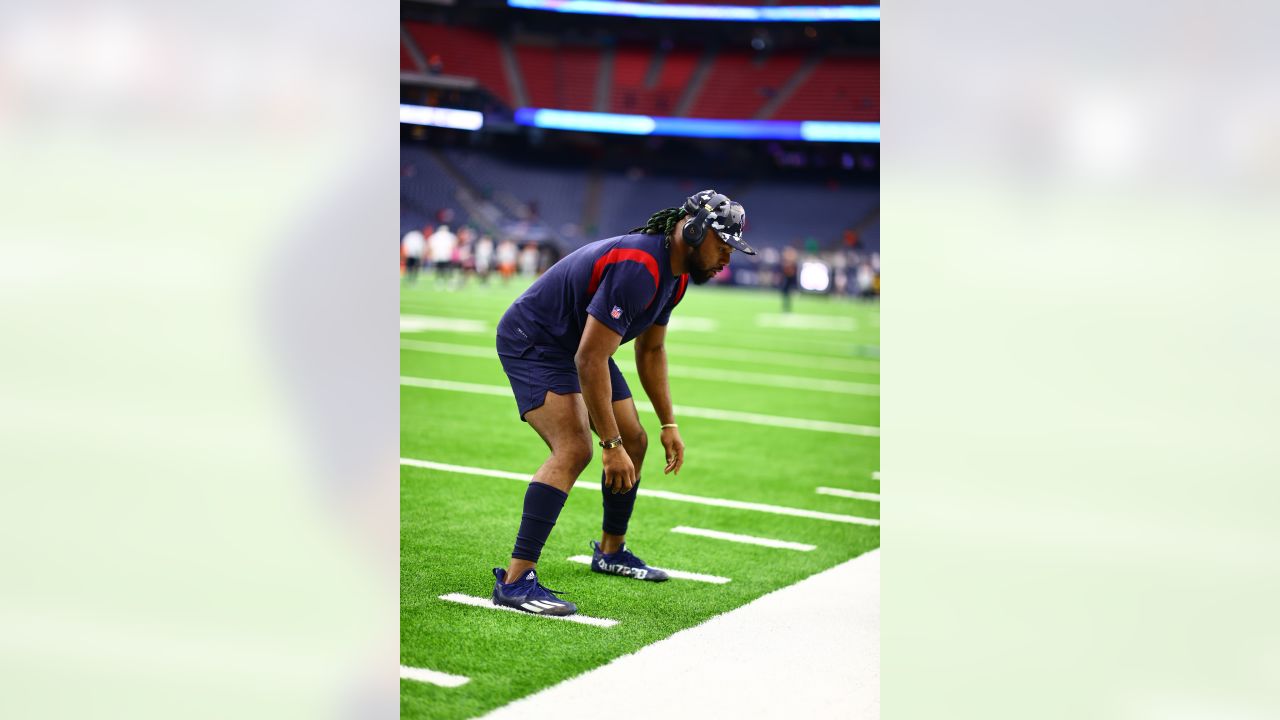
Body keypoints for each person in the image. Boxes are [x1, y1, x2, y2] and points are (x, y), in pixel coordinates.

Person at [490, 190, 754, 616]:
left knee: (637, 439)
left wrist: (669, 424)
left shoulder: (677, 275)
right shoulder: (640, 266)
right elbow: (590, 359)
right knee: (576, 449)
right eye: (722, 246)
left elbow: (650, 351)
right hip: (536, 340)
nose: (727, 259)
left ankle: (611, 552)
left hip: (578, 342)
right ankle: (516, 580)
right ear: (695, 230)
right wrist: (608, 446)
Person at [427, 223, 457, 288]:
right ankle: (449, 282)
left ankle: (440, 281)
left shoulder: (435, 236)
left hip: (438, 256)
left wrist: (431, 254)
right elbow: (454, 245)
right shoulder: (450, 236)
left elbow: (430, 246)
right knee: (447, 269)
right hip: (446, 256)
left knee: (439, 269)